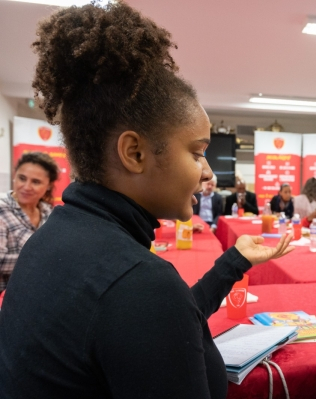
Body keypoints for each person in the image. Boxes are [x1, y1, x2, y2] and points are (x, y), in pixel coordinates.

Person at [0, 3, 293, 398]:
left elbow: (153, 322)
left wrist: (233, 263)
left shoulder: (55, 238)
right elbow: (147, 306)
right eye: (196, 152)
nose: (208, 174)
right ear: (134, 153)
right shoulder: (138, 283)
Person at [0, 152, 59, 292]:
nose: (26, 187)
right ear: (15, 176)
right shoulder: (2, 209)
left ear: (49, 185)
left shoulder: (48, 213)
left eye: (36, 182)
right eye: (22, 178)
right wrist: (41, 258)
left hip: (34, 295)